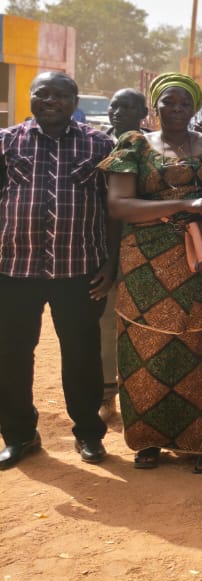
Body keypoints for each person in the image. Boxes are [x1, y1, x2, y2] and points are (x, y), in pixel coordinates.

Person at [101, 73, 202, 474]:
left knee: (200, 346)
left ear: (196, 107)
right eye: (168, 102)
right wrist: (185, 203)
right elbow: (119, 205)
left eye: (185, 103)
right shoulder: (134, 144)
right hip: (144, 262)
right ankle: (148, 440)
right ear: (156, 106)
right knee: (143, 349)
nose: (177, 110)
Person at [0, 72, 116, 470]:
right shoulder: (6, 141)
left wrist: (111, 262)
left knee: (81, 354)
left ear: (75, 101)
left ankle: (88, 432)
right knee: (11, 354)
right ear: (31, 97)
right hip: (14, 268)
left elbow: (112, 209)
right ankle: (19, 435)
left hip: (79, 269)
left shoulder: (100, 144)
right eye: (42, 93)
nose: (50, 100)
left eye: (60, 95)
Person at [98, 87, 150, 420]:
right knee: (104, 324)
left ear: (143, 113)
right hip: (99, 249)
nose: (118, 112)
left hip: (144, 248)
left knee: (144, 324)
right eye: (114, 106)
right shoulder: (95, 144)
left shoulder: (153, 148)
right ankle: (107, 397)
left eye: (128, 107)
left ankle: (142, 397)